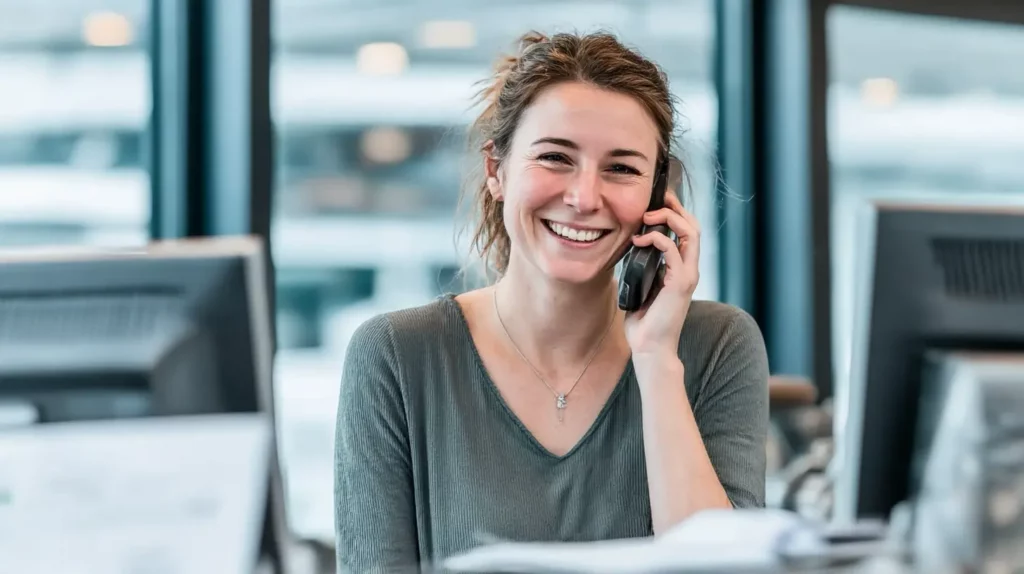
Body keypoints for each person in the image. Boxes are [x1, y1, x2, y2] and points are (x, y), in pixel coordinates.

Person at [334, 30, 769, 573]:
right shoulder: (398, 355)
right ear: (497, 171)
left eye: (622, 168)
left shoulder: (717, 345)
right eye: (556, 157)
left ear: (659, 198)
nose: (585, 198)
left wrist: (657, 360)